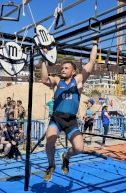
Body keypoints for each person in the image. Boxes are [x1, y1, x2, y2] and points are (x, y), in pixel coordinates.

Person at [41, 40, 98, 181]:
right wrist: (43, 59)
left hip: (71, 120)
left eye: (66, 68)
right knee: (50, 141)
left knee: (79, 148)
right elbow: (43, 79)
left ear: (73, 71)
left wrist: (95, 44)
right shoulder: (56, 81)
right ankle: (51, 165)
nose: (63, 70)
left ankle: (66, 156)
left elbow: (91, 63)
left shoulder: (77, 81)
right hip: (57, 119)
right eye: (62, 68)